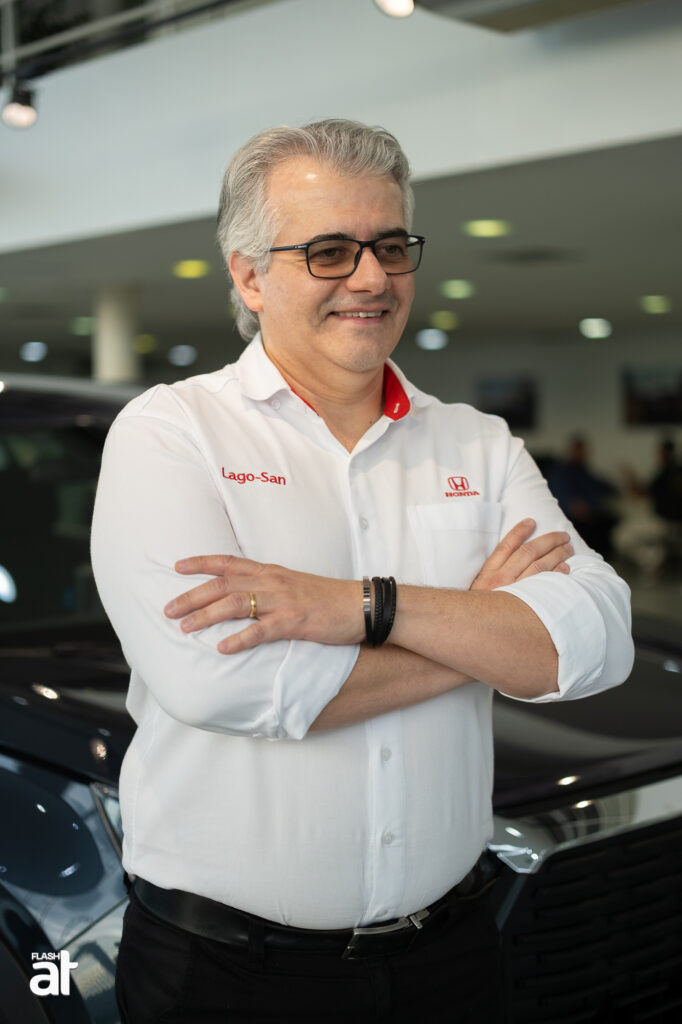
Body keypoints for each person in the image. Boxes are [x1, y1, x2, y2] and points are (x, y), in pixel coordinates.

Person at [91, 119, 633, 1023]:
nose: (373, 278)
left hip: (452, 956)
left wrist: (364, 607)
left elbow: (598, 640)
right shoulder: (172, 433)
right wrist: (479, 628)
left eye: (390, 245)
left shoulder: (477, 442)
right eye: (331, 251)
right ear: (249, 277)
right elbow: (226, 682)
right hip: (228, 976)